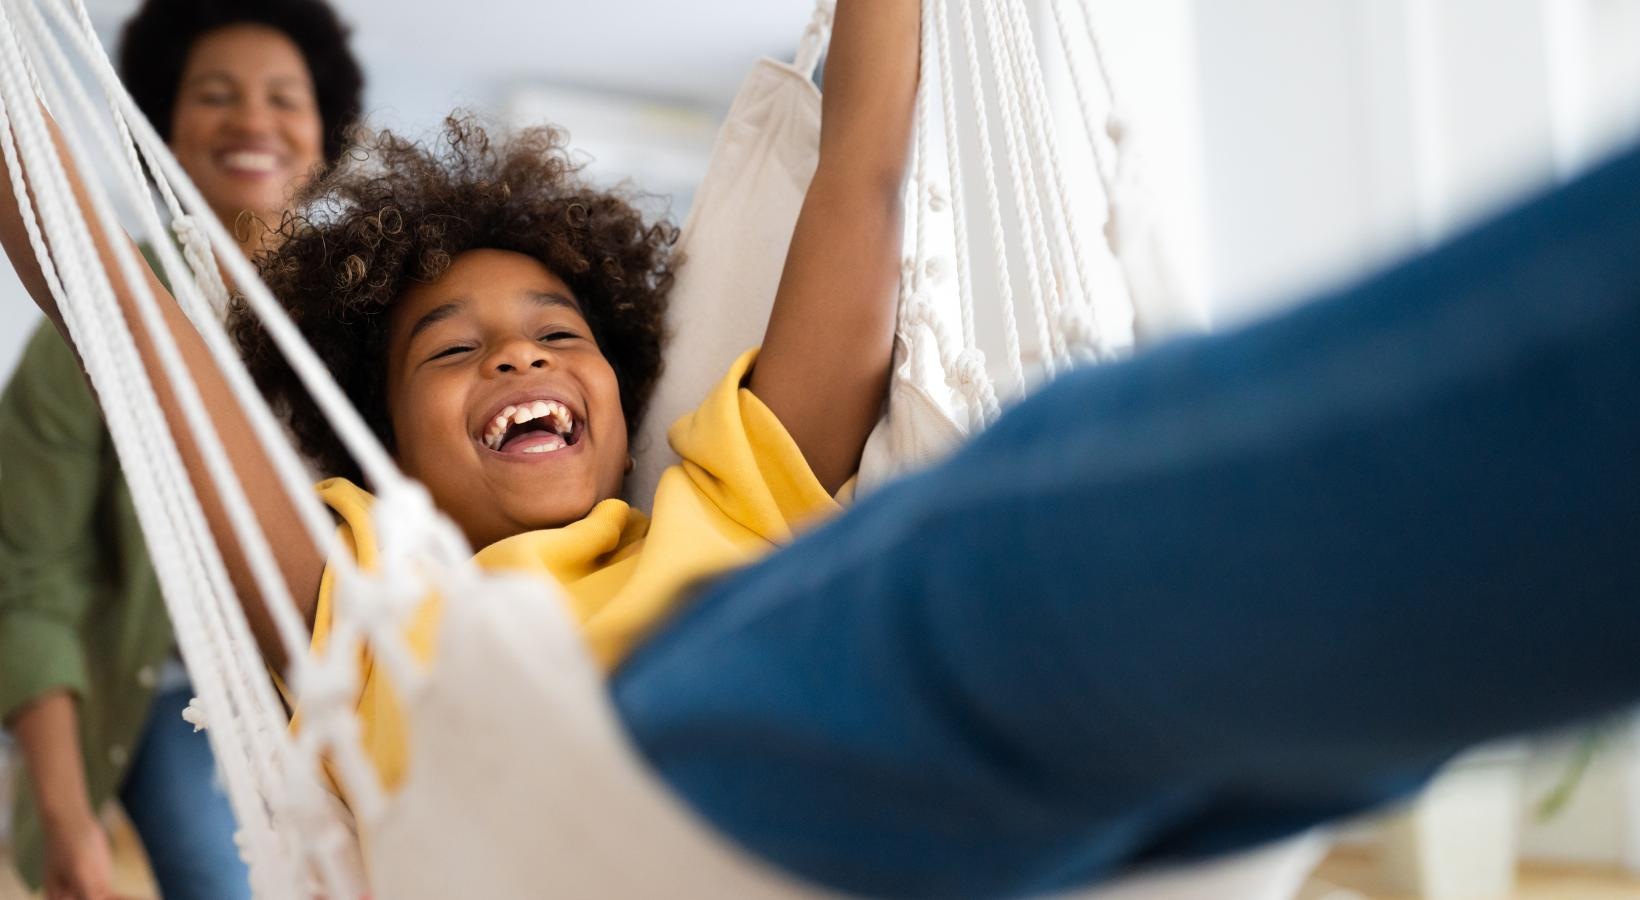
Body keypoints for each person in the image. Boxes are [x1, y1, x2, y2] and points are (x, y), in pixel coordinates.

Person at [3, 1, 1639, 898]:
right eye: (451, 347)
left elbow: (864, 169)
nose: (518, 350)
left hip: (912, 798)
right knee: (1039, 544)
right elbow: (151, 380)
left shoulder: (712, 482)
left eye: (557, 332)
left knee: (1299, 713)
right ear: (390, 442)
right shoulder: (369, 559)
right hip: (620, 785)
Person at [0, 2, 362, 897]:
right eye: (216, 94)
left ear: (324, 128)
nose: (253, 119)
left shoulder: (366, 312)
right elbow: (31, 577)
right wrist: (66, 816)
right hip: (181, 690)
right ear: (162, 125)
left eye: (285, 96)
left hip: (346, 668)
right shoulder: (81, 332)